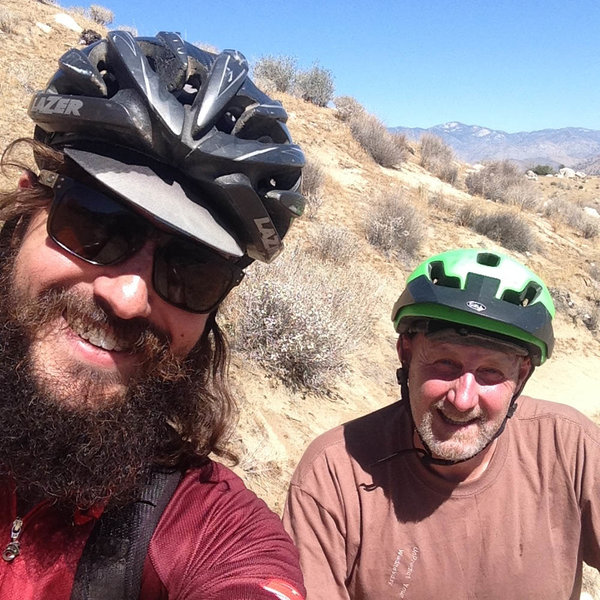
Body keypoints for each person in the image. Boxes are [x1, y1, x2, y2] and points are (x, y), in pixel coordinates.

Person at [0, 30, 307, 599]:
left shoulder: (211, 531)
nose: (128, 298)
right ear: (25, 212)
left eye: (190, 269)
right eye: (96, 223)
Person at [283, 248, 600, 599]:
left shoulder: (569, 446)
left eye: (490, 372)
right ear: (406, 353)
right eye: (444, 363)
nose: (462, 399)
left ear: (521, 375)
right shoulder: (334, 474)